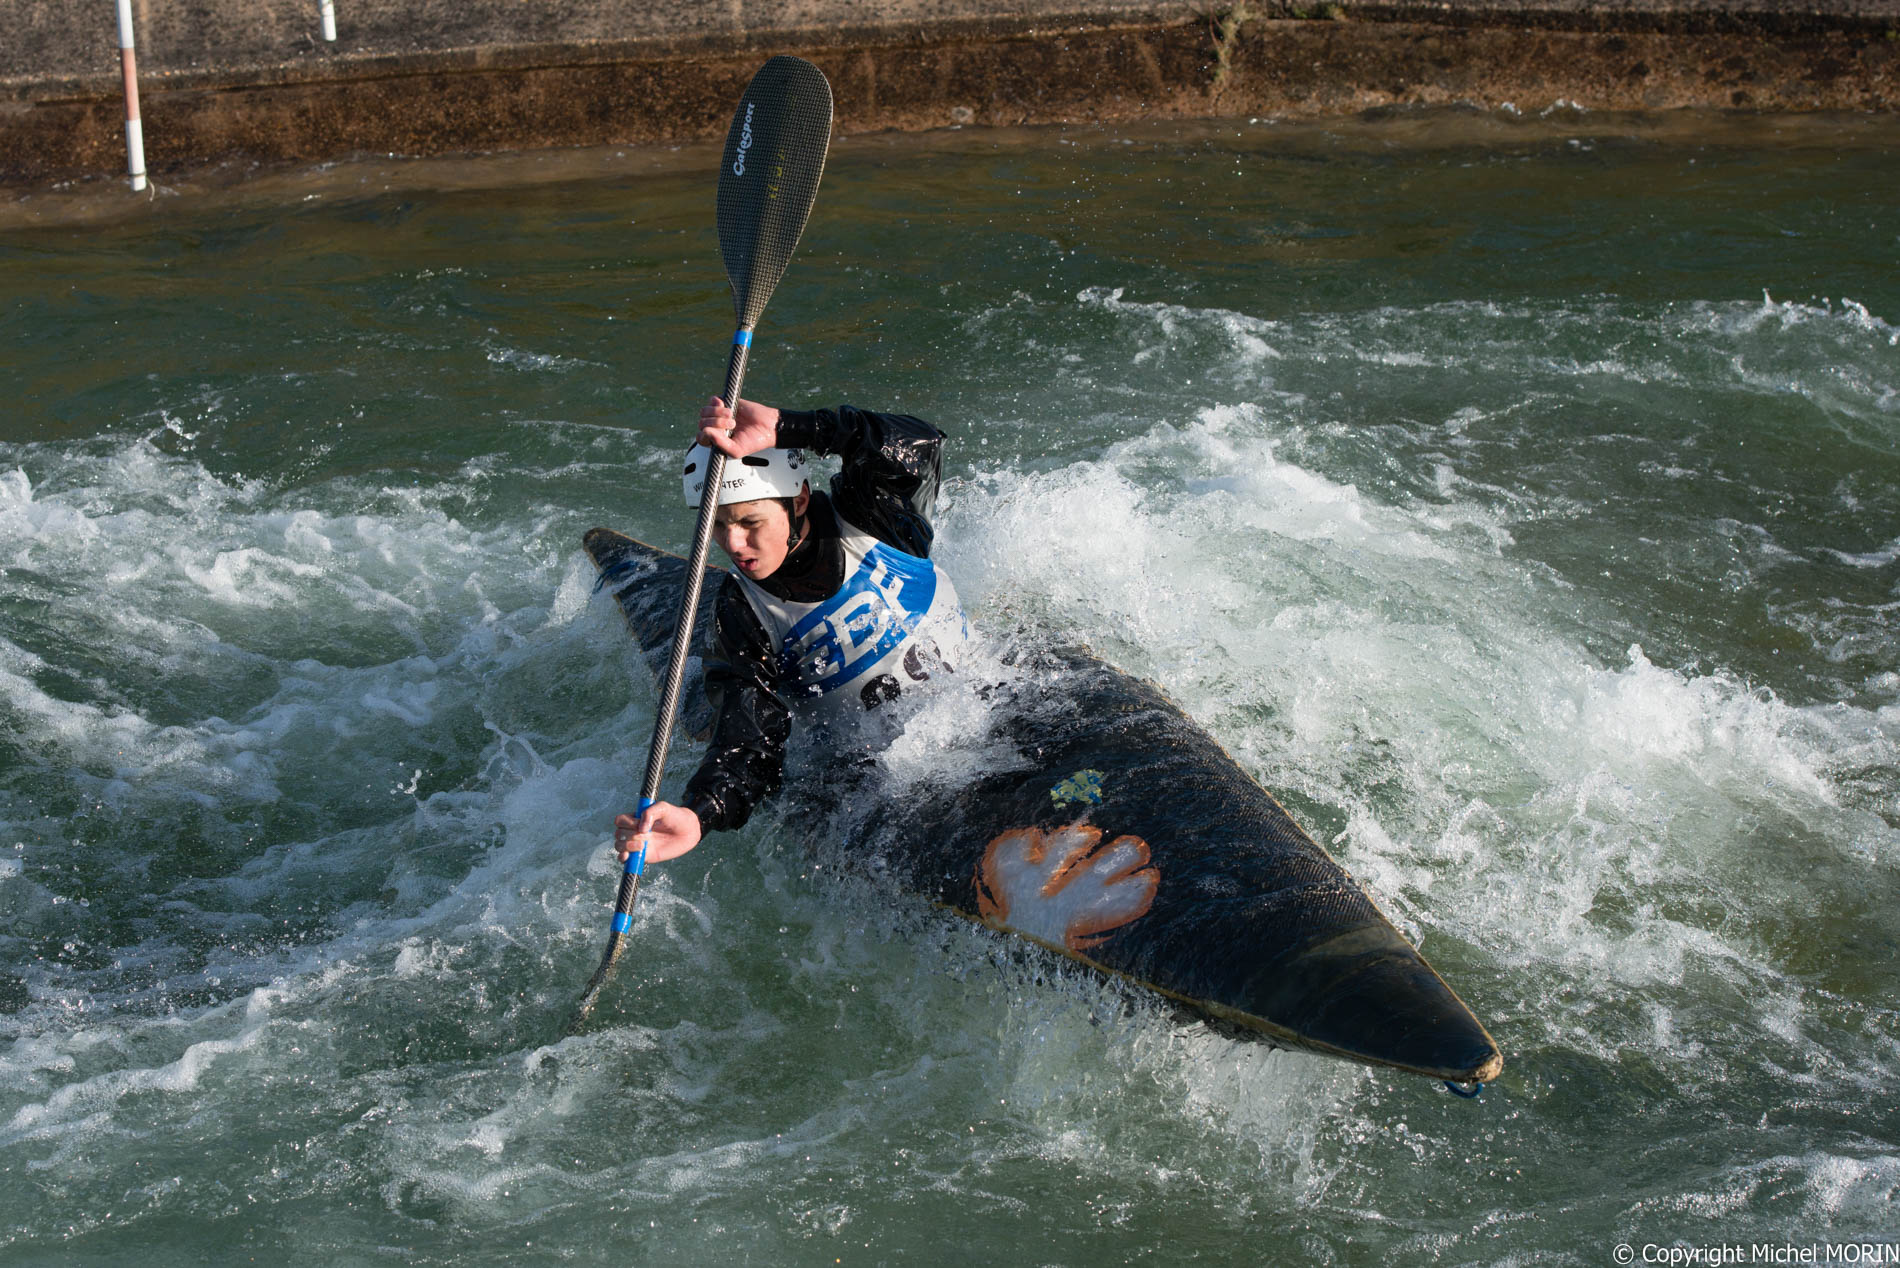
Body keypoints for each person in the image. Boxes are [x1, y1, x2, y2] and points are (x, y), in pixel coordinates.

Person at [613, 395, 966, 866]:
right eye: (717, 525)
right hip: (876, 773)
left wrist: (795, 427)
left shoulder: (872, 516)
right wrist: (699, 815)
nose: (733, 544)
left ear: (798, 498)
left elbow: (919, 444)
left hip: (978, 696)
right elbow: (751, 741)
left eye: (748, 521)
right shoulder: (742, 615)